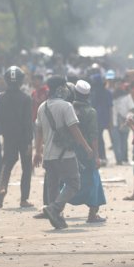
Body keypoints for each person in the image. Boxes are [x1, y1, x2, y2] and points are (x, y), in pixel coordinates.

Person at [34, 76, 94, 229]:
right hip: (65, 154)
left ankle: (57, 218)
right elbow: (74, 129)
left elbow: (38, 130)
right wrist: (86, 147)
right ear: (61, 88)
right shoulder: (66, 106)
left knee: (53, 185)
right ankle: (54, 209)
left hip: (48, 154)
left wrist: (37, 152)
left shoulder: (42, 107)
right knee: (74, 183)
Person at [0, 67, 33, 208]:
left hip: (9, 136)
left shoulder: (1, 97)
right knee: (26, 168)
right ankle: (24, 199)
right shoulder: (26, 98)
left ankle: (2, 188)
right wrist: (30, 141)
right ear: (21, 81)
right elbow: (28, 122)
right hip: (23, 137)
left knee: (7, 164)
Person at [67, 80, 106, 222]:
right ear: (88, 95)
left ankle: (56, 207)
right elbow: (94, 136)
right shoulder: (90, 112)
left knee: (67, 180)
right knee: (94, 180)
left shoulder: (68, 108)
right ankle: (92, 214)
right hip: (87, 151)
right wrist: (96, 156)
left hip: (70, 150)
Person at [89, 74, 113, 166]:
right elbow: (110, 107)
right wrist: (110, 120)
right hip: (102, 118)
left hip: (98, 118)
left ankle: (100, 157)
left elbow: (110, 107)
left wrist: (110, 120)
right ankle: (101, 157)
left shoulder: (94, 93)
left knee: (97, 138)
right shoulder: (106, 92)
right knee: (99, 138)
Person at [111, 80, 134, 165]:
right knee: (116, 142)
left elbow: (132, 109)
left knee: (124, 141)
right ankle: (119, 160)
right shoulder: (111, 97)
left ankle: (124, 159)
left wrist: (127, 118)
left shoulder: (127, 96)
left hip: (124, 122)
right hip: (114, 123)